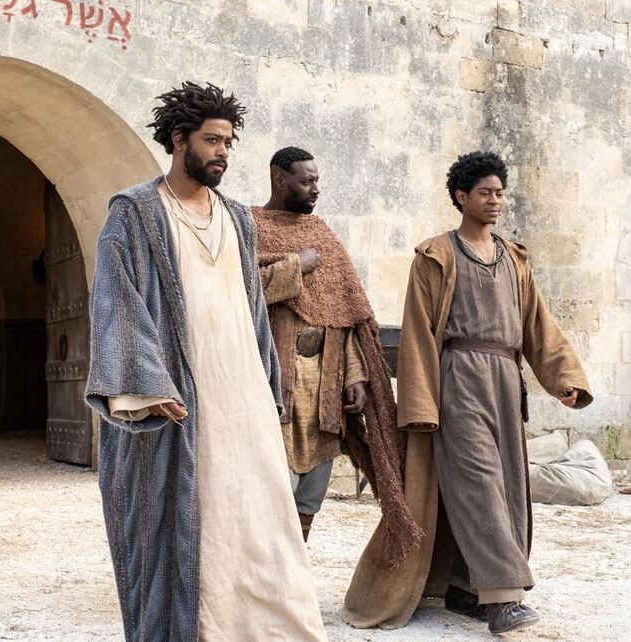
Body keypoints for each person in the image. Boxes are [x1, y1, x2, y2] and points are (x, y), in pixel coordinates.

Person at [84, 82, 325, 641]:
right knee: (182, 522)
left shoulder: (237, 217)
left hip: (242, 394)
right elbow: (115, 299)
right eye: (212, 140)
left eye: (228, 142)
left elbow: (253, 309)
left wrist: (269, 386)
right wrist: (146, 383)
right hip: (177, 399)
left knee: (259, 521)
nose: (223, 152)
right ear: (178, 140)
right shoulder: (135, 212)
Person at [343, 151, 593, 635]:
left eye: (500, 193)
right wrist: (420, 402)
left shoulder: (514, 258)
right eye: (485, 192)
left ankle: (463, 588)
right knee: (478, 483)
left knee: (507, 486)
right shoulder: (435, 256)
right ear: (462, 197)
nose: (495, 200)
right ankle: (503, 597)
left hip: (505, 382)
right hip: (457, 380)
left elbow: (538, 326)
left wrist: (565, 378)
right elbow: (418, 334)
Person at [253, 146, 418, 547]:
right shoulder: (251, 227)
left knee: (310, 495)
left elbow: (345, 314)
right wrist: (295, 265)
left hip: (323, 388)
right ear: (280, 180)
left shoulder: (323, 234)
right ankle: (270, 571)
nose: (315, 189)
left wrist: (355, 376)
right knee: (272, 489)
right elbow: (240, 290)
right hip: (273, 383)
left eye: (317, 181)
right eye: (306, 181)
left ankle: (295, 568)